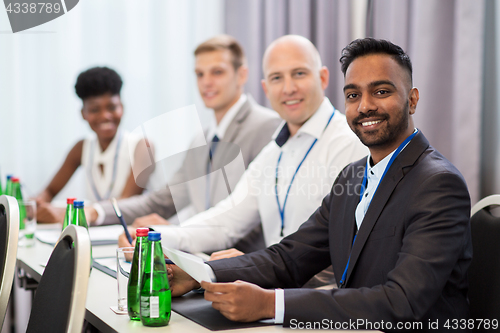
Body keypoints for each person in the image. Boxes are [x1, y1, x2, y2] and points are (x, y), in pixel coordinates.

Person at [168, 38, 472, 331]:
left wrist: (271, 304)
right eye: (353, 95)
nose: (364, 106)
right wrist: (201, 274)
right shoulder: (353, 176)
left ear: (413, 99)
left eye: (380, 91)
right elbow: (289, 257)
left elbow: (401, 302)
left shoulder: (438, 185)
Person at [120, 35, 367, 269]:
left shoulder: (349, 143)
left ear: (323, 78)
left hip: (320, 301)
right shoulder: (273, 153)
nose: (288, 88)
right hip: (274, 288)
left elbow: (338, 250)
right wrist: (154, 237)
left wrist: (251, 266)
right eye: (276, 78)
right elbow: (226, 220)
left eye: (299, 73)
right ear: (266, 87)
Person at [89, 35, 282, 251]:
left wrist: (177, 233)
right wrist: (95, 212)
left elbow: (259, 216)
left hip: (242, 268)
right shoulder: (201, 140)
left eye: (217, 72)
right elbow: (161, 202)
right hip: (200, 261)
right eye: (200, 74)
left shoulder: (267, 126)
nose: (206, 82)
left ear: (241, 75)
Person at [36, 67, 152, 223]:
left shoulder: (142, 147)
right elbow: (49, 191)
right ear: (83, 114)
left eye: (112, 107)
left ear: (122, 108)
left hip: (133, 238)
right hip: (99, 236)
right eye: (94, 109)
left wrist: (66, 213)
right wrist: (38, 202)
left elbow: (125, 203)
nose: (105, 116)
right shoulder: (82, 148)